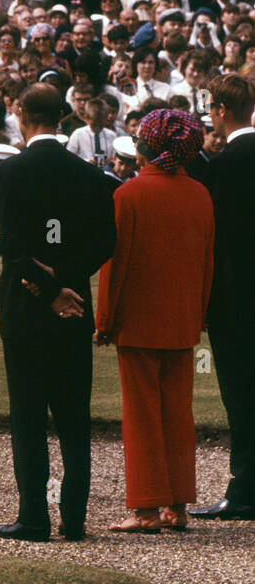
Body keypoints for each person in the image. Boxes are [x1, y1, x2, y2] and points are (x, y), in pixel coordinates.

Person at [0, 83, 117, 542]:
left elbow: (16, 250)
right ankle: (75, 517)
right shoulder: (89, 175)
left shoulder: (7, 173)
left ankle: (33, 517)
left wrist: (47, 288)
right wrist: (67, 281)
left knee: (27, 414)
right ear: (63, 116)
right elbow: (107, 242)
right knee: (72, 415)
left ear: (22, 114)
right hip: (74, 307)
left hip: (26, 308)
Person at [95, 110, 213, 533]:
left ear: (148, 147)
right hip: (182, 319)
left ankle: (145, 507)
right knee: (178, 415)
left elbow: (115, 264)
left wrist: (104, 319)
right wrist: (198, 315)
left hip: (140, 322)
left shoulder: (128, 195)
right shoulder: (200, 194)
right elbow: (206, 265)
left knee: (142, 414)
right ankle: (177, 506)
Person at [191, 73, 255, 521]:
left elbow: (214, 239)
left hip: (238, 298)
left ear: (221, 110)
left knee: (241, 394)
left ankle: (245, 488)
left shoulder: (227, 163)